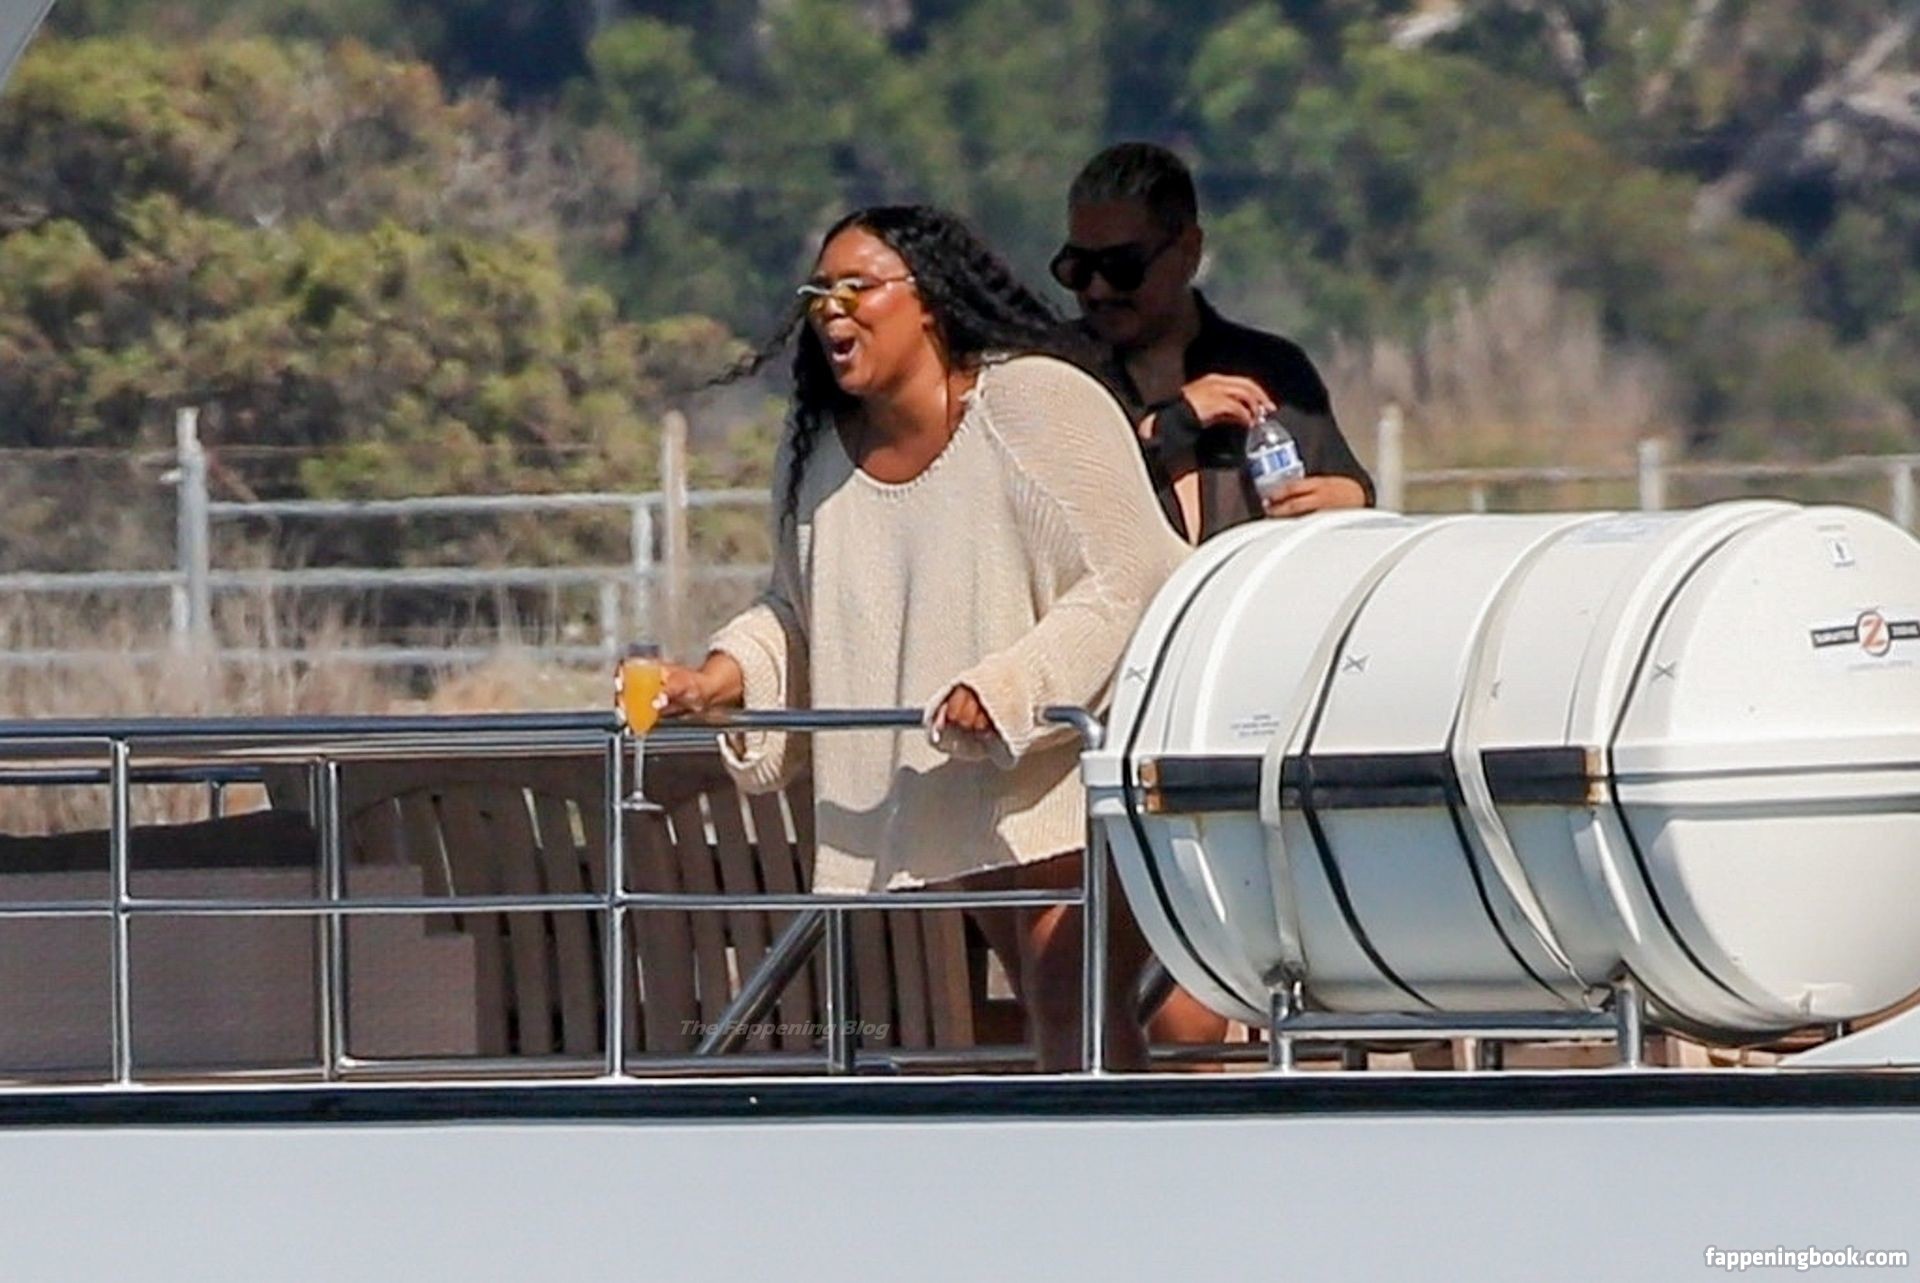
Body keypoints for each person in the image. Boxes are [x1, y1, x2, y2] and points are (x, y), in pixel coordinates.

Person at [652, 205, 1188, 1072]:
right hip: (967, 781)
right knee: (1060, 1004)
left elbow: (1132, 579)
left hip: (1103, 760)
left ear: (930, 299)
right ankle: (1095, 1151)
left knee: (1072, 990)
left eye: (858, 287)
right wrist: (713, 680)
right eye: (820, 292)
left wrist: (1008, 690)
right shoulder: (814, 452)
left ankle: (1119, 1154)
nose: (832, 309)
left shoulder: (1036, 402)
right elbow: (799, 610)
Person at [1057, 142, 1374, 543]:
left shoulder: (1274, 370)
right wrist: (1172, 425)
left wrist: (1349, 500)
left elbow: (1350, 488)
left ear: (1188, 251)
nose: (1097, 289)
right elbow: (1056, 498)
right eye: (1078, 268)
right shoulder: (1055, 373)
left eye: (1122, 268)